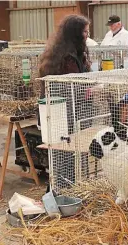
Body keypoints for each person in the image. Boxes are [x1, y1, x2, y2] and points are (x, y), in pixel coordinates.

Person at [38, 14, 94, 189]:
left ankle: (62, 187)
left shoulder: (59, 53)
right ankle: (63, 190)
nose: (87, 35)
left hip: (61, 112)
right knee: (66, 154)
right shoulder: (68, 59)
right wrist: (91, 90)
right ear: (75, 34)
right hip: (67, 112)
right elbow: (75, 86)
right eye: (84, 31)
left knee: (62, 153)